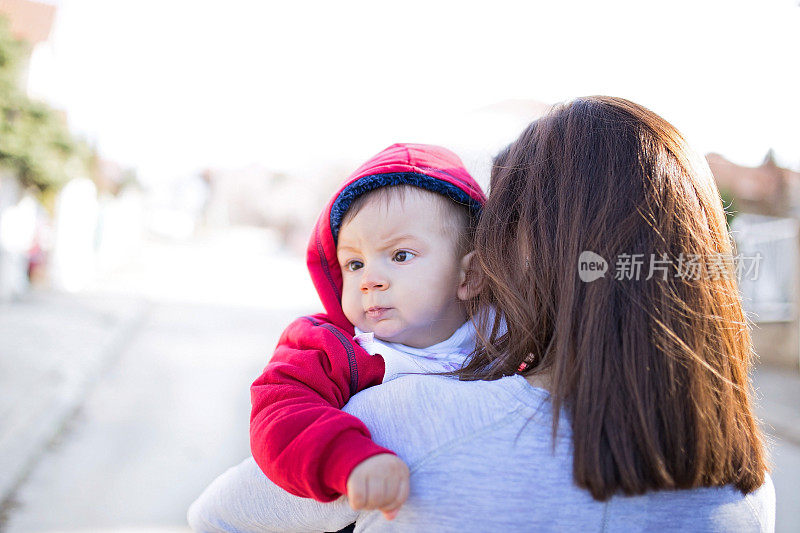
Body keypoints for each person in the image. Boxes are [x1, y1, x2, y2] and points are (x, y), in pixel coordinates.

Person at [188, 97, 775, 532]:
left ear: (529, 251)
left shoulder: (404, 427)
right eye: (353, 263)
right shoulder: (745, 487)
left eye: (503, 230)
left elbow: (216, 520)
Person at [249, 143, 486, 518]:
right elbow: (279, 413)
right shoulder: (331, 347)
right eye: (354, 263)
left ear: (469, 275)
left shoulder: (506, 341)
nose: (369, 280)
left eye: (400, 255)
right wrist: (348, 460)